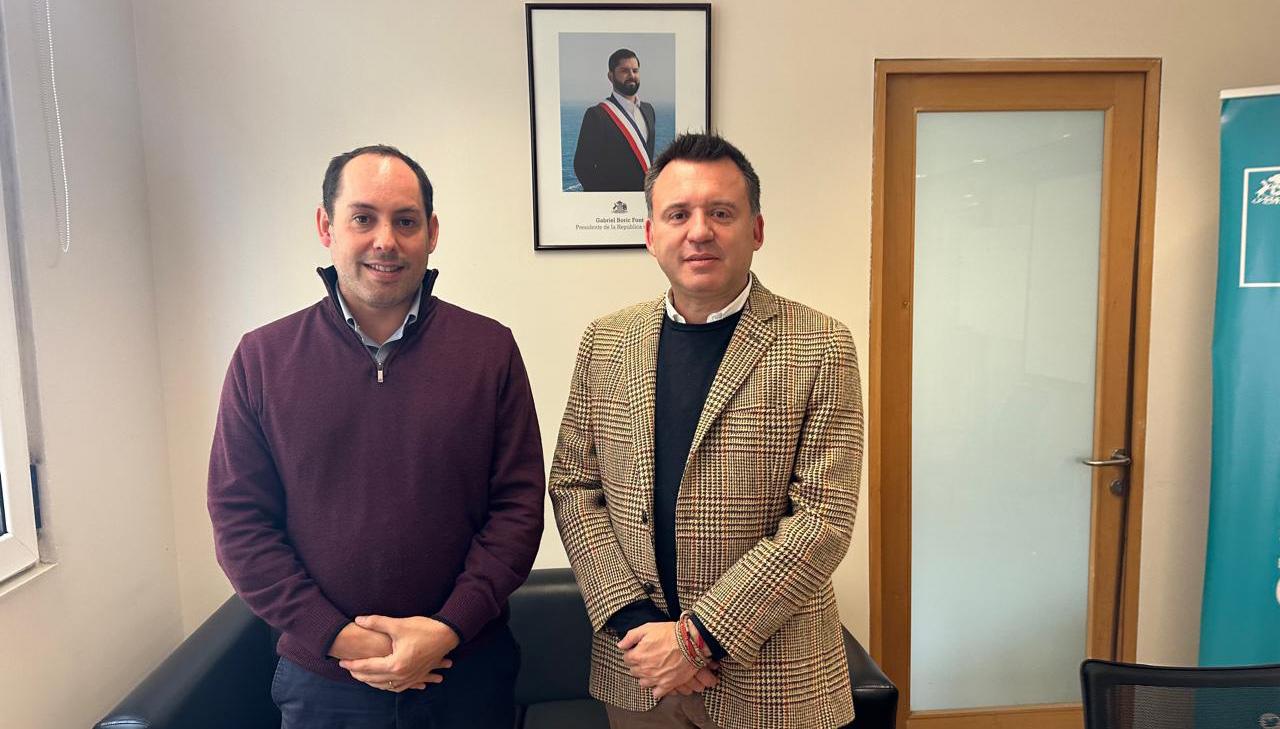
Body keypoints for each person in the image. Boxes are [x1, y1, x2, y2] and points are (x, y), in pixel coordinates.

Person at [207, 144, 545, 728]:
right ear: (326, 226)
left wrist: (448, 628)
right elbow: (239, 523)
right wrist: (338, 638)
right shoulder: (262, 359)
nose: (385, 241)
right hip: (324, 682)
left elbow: (517, 508)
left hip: (466, 672)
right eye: (363, 218)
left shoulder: (490, 350)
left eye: (405, 221)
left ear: (432, 233)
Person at [550, 133, 863, 729]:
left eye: (721, 212)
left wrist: (696, 640)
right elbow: (573, 487)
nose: (699, 231)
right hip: (638, 672)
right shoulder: (605, 342)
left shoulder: (821, 344)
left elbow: (823, 520)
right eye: (678, 214)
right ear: (651, 234)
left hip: (774, 681)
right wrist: (638, 626)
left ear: (757, 229)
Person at [573, 48, 657, 192]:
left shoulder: (648, 110)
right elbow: (582, 167)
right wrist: (608, 200)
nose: (631, 75)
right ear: (610, 76)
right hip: (615, 202)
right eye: (624, 71)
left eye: (635, 71)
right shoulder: (597, 115)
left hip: (643, 199)